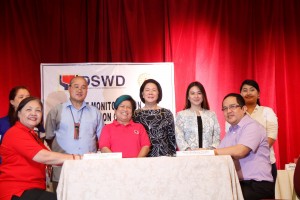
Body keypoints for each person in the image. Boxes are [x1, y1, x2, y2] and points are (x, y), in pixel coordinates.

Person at [0, 97, 82, 200]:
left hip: (33, 190)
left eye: (38, 110)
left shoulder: (32, 135)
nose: (34, 113)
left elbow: (52, 160)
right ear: (19, 113)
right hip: (18, 191)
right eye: (28, 109)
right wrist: (76, 157)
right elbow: (44, 156)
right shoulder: (15, 133)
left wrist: (84, 159)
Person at [45, 76, 104, 192]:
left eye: (83, 87)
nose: (79, 90)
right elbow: (49, 137)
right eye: (76, 87)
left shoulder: (95, 112)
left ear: (87, 90)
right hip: (63, 168)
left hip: (89, 168)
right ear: (69, 89)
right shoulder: (56, 111)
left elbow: (102, 139)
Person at [215, 93, 274, 200]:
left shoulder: (253, 126)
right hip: (240, 183)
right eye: (225, 108)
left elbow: (240, 151)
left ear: (243, 108)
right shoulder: (231, 132)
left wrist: (212, 152)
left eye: (233, 106)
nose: (228, 111)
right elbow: (220, 155)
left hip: (257, 185)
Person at [240, 79, 278, 181]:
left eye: (252, 90)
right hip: (242, 166)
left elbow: (271, 136)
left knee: (266, 196)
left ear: (258, 94)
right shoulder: (235, 115)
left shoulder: (267, 111)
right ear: (240, 95)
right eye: (245, 90)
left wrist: (248, 152)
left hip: (265, 163)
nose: (248, 93)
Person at [133, 79, 176, 157]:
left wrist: (173, 156)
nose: (150, 93)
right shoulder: (135, 114)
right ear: (142, 94)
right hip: (141, 157)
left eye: (154, 90)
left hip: (163, 157)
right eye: (147, 90)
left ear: (158, 93)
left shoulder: (166, 113)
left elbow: (172, 138)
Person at [175, 81, 220, 150]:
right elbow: (179, 137)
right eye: (192, 93)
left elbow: (217, 136)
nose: (196, 96)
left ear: (203, 95)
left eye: (199, 93)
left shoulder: (211, 115)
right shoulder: (181, 115)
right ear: (188, 97)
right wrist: (190, 151)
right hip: (189, 156)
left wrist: (208, 150)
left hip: (209, 156)